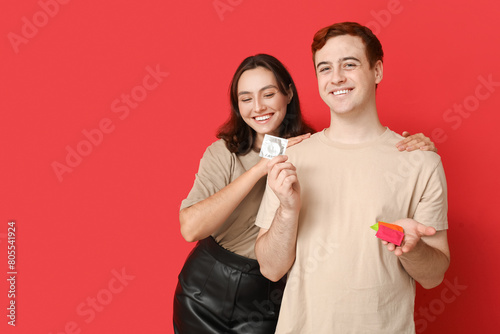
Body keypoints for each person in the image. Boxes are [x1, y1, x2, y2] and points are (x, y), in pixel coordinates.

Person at [174, 54, 437, 333]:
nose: (258, 107)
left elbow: (364, 173)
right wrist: (259, 169)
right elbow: (190, 229)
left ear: (288, 93)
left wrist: (417, 150)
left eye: (269, 93)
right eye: (246, 98)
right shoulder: (224, 152)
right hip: (204, 291)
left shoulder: (314, 150)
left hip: (269, 293)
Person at [254, 22, 450, 333]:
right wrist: (287, 210)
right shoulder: (291, 157)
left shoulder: (420, 161)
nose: (336, 78)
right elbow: (271, 268)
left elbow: (433, 275)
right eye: (325, 68)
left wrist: (412, 248)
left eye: (350, 64)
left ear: (378, 71)